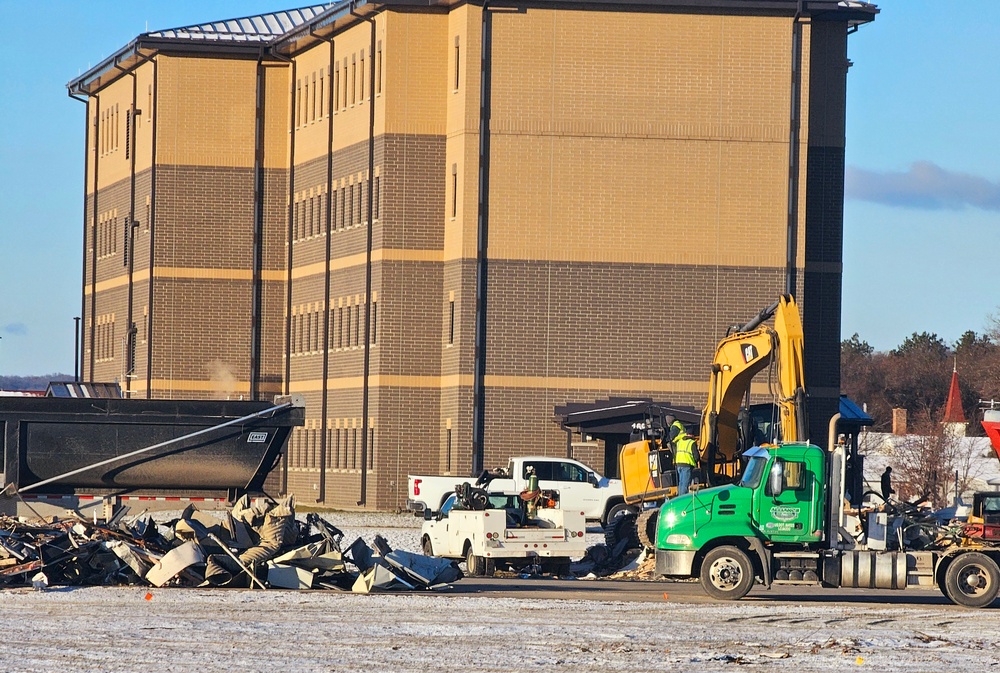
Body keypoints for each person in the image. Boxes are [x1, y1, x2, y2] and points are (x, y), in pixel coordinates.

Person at [669, 417, 698, 496]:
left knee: (681, 484)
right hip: (687, 465)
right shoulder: (691, 442)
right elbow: (696, 456)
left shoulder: (680, 442)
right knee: (685, 485)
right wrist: (696, 462)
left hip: (679, 464)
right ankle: (682, 501)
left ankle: (679, 497)